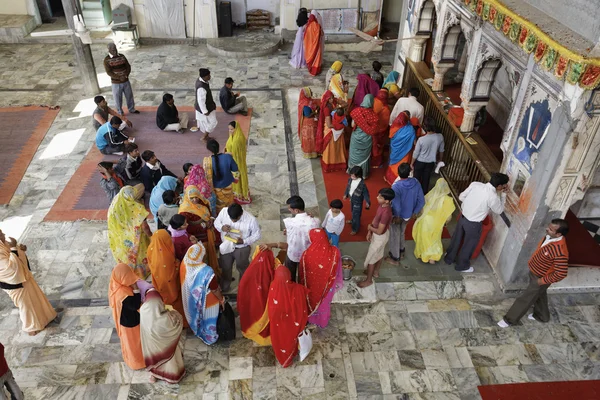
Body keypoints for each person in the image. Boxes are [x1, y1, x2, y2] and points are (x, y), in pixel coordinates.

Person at [498, 219, 570, 328]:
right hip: (535, 273)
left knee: (526, 298)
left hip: (541, 278)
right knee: (539, 295)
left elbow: (561, 273)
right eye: (548, 226)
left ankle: (509, 320)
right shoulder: (549, 237)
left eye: (551, 229)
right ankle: (542, 316)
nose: (547, 229)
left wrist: (541, 281)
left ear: (559, 234)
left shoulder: (559, 251)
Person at [444, 173, 509, 272]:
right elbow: (499, 210)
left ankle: (449, 258)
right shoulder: (493, 197)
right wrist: (503, 195)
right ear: (499, 186)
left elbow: (461, 197)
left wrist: (471, 204)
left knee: (456, 239)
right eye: (504, 185)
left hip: (462, 217)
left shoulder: (475, 185)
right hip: (473, 224)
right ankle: (461, 266)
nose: (504, 187)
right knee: (469, 245)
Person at [0, 230, 56, 336]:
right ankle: (31, 327)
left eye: (2, 232)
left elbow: (15, 255)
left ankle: (45, 318)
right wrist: (13, 248)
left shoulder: (3, 244)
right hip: (14, 283)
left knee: (35, 298)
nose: (4, 235)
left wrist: (20, 249)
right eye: (0, 234)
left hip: (23, 277)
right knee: (25, 305)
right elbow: (10, 269)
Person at [180, 243, 224, 344]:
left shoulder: (185, 264)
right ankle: (210, 337)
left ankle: (199, 331)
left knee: (199, 316)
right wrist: (221, 299)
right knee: (209, 317)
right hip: (208, 300)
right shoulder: (206, 270)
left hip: (191, 298)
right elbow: (214, 289)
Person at [299, 228, 343, 327]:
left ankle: (311, 317)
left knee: (312, 302)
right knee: (324, 304)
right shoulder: (335, 252)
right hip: (328, 286)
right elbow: (338, 269)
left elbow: (302, 275)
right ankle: (322, 321)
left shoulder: (306, 255)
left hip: (312, 288)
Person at [140, 288, 186, 384]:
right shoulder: (166, 318)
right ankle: (171, 378)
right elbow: (178, 320)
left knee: (156, 361)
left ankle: (155, 375)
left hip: (152, 347)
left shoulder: (144, 310)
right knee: (171, 362)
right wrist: (173, 312)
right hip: (168, 347)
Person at [267, 263, 309, 367]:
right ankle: (292, 354)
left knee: (280, 340)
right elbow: (304, 300)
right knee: (291, 339)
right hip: (291, 324)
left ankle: (283, 359)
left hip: (278, 325)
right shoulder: (298, 289)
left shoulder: (273, 287)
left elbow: (271, 308)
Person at [214, 203, 261, 292]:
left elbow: (257, 235)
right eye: (231, 219)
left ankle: (244, 288)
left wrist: (244, 241)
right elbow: (216, 222)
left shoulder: (251, 219)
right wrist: (222, 227)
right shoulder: (224, 211)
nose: (233, 221)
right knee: (226, 267)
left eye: (236, 219)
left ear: (241, 214)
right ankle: (225, 287)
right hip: (226, 246)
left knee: (242, 267)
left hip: (242, 248)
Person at [108, 185, 152, 279]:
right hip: (136, 238)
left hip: (121, 237)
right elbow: (144, 226)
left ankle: (127, 271)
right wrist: (152, 237)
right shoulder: (136, 208)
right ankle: (141, 273)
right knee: (139, 255)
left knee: (128, 255)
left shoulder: (116, 203)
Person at [109, 263, 145, 370]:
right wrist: (136, 290)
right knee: (135, 345)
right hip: (131, 324)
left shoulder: (116, 285)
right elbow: (135, 305)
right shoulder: (123, 294)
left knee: (131, 344)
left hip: (126, 321)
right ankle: (138, 363)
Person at [386, 163, 425, 265]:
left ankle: (395, 257)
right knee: (402, 232)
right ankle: (402, 251)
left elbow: (397, 205)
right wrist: (415, 212)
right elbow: (421, 201)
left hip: (397, 215)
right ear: (409, 173)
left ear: (398, 173)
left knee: (395, 234)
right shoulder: (416, 182)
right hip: (409, 214)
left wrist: (397, 216)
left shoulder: (396, 186)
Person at [238, 248, 277, 345]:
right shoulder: (271, 272)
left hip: (251, 305)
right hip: (263, 305)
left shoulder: (248, 272)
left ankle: (250, 328)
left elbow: (242, 290)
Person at [178, 185, 220, 275]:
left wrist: (211, 220)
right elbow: (186, 227)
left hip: (207, 235)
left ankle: (213, 273)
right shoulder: (184, 211)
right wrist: (203, 226)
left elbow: (210, 214)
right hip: (197, 239)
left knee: (210, 254)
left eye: (196, 197)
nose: (194, 200)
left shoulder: (203, 203)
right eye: (192, 198)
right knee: (202, 258)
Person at [358, 188, 395, 288]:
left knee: (372, 258)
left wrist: (370, 227)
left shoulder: (386, 213)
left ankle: (368, 280)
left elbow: (379, 231)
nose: (377, 197)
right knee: (379, 254)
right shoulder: (381, 206)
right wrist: (369, 231)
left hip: (380, 237)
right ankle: (376, 272)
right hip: (379, 235)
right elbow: (375, 219)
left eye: (380, 197)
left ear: (387, 201)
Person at [413, 178, 456, 264]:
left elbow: (422, 208)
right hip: (437, 222)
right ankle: (432, 258)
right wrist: (446, 222)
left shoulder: (430, 195)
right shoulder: (448, 200)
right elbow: (448, 217)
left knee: (424, 238)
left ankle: (424, 256)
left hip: (425, 220)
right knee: (434, 239)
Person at [147, 230, 185, 325]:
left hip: (159, 281)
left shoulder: (151, 249)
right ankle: (178, 322)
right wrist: (178, 263)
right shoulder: (165, 256)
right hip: (169, 284)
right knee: (174, 302)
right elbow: (171, 273)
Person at [283, 196, 320, 282]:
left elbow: (292, 231)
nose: (289, 210)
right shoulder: (316, 221)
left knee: (289, 272)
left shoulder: (289, 222)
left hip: (293, 252)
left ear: (296, 210)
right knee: (303, 274)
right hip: (307, 254)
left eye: (290, 208)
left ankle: (291, 285)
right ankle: (301, 288)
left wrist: (287, 231)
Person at [348, 94, 379, 179]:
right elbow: (374, 131)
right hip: (366, 139)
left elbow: (352, 125)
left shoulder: (356, 111)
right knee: (364, 156)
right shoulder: (375, 116)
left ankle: (352, 172)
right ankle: (363, 174)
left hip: (356, 137)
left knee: (354, 154)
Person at [203, 139, 239, 213]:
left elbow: (206, 177)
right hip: (228, 186)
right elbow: (235, 169)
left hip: (216, 189)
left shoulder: (207, 161)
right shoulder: (228, 157)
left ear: (209, 149)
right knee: (230, 204)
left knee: (220, 208)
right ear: (218, 146)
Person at [411, 117, 445, 194]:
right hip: (430, 163)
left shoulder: (421, 139)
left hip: (420, 162)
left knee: (416, 179)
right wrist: (440, 159)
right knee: (426, 180)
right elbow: (441, 150)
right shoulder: (440, 137)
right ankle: (423, 195)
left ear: (425, 127)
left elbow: (416, 153)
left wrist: (411, 163)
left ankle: (414, 194)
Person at [104, 43, 138, 115]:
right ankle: (120, 112)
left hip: (125, 80)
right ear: (109, 50)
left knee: (129, 95)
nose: (115, 51)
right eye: (113, 49)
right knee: (118, 98)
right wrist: (119, 77)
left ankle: (131, 109)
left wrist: (126, 75)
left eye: (115, 48)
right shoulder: (107, 60)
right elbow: (109, 72)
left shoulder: (122, 56)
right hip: (116, 83)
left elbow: (128, 66)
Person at [318, 90, 348, 172]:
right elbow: (329, 124)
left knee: (338, 146)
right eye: (330, 99)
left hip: (336, 126)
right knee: (331, 147)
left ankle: (339, 162)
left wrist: (339, 107)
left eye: (332, 97)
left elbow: (346, 104)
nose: (332, 100)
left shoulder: (334, 101)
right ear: (326, 99)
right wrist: (340, 125)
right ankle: (330, 164)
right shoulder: (327, 108)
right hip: (331, 129)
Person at [385, 111, 416, 184]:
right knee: (402, 164)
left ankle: (390, 178)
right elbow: (415, 143)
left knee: (393, 165)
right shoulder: (411, 129)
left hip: (394, 150)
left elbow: (390, 136)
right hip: (405, 152)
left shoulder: (394, 125)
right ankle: (399, 179)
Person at [225, 121, 251, 204]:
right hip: (232, 162)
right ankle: (237, 195)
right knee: (236, 179)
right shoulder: (233, 136)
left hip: (237, 163)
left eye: (232, 129)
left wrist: (227, 153)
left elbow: (236, 154)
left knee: (239, 178)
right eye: (229, 129)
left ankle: (242, 196)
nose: (230, 131)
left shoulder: (238, 139)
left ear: (236, 129)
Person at [344, 166, 371, 235]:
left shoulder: (362, 184)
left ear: (359, 176)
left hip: (358, 201)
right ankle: (353, 220)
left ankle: (355, 229)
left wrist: (368, 202)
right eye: (351, 175)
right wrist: (346, 194)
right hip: (352, 199)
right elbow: (348, 187)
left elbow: (366, 193)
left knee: (356, 215)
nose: (351, 177)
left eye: (353, 176)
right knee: (353, 211)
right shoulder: (350, 179)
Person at [194, 68, 217, 141]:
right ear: (204, 77)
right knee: (213, 122)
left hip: (207, 106)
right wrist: (205, 111)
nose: (210, 76)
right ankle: (204, 137)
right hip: (206, 108)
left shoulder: (202, 81)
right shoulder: (201, 88)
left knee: (207, 122)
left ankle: (206, 136)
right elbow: (201, 101)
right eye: (208, 75)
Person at [298, 87, 320, 159]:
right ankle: (311, 152)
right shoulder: (306, 103)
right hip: (309, 123)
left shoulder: (307, 100)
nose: (311, 92)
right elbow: (308, 115)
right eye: (310, 91)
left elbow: (313, 105)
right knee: (311, 137)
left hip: (308, 121)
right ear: (306, 93)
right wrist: (315, 112)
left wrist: (316, 108)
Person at [371, 89, 391, 168]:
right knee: (378, 146)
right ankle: (377, 163)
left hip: (371, 128)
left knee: (373, 145)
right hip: (380, 131)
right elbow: (385, 123)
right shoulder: (386, 108)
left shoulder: (374, 101)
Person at [303, 10, 324, 76]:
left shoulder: (308, 25)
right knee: (316, 58)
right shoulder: (317, 25)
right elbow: (322, 34)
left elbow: (305, 37)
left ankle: (310, 69)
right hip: (316, 46)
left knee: (310, 58)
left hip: (309, 46)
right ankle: (315, 70)